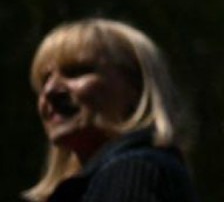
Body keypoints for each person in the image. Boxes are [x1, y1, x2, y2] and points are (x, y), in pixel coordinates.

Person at [25, 18, 200, 202]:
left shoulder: (134, 170)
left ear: (136, 87)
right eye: (44, 80)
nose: (49, 91)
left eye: (77, 71)